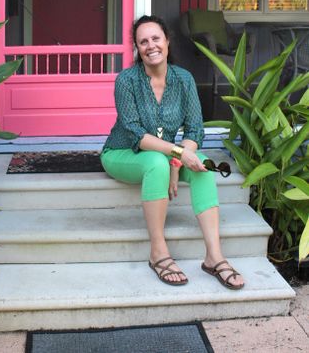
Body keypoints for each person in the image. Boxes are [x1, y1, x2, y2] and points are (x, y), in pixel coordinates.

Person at [101, 15, 244, 289]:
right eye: (143, 41)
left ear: (167, 41)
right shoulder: (126, 81)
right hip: (122, 153)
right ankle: (158, 252)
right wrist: (175, 155)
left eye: (156, 38)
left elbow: (195, 130)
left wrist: (178, 162)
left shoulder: (184, 79)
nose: (150, 45)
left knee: (202, 164)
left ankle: (214, 256)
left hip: (166, 154)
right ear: (137, 48)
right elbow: (136, 135)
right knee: (157, 162)